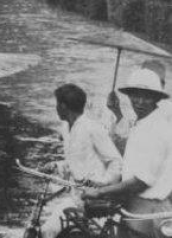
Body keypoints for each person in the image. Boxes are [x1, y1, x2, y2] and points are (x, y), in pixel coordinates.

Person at [83, 69, 172, 237]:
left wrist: (101, 192)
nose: (139, 101)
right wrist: (116, 112)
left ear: (157, 98)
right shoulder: (143, 123)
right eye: (134, 95)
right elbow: (132, 163)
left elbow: (141, 182)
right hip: (135, 205)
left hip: (148, 210)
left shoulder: (158, 130)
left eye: (147, 96)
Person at [39, 84, 122, 238]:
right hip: (76, 197)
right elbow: (75, 161)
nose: (56, 108)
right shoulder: (65, 128)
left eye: (57, 104)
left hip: (96, 202)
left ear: (63, 106)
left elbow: (116, 161)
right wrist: (56, 165)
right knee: (47, 231)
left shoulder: (93, 128)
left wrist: (101, 184)